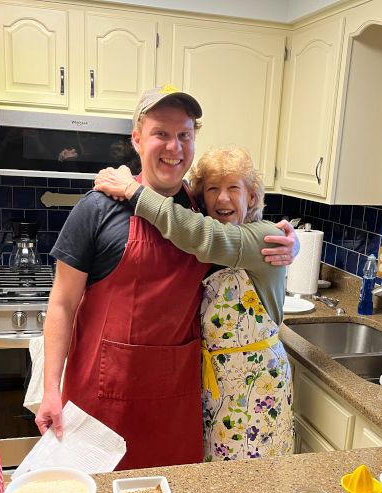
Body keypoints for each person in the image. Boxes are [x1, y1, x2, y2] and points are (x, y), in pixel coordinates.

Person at [35, 85, 298, 470]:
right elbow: (61, 303)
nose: (174, 147)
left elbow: (231, 238)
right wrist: (50, 390)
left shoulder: (203, 215)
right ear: (138, 139)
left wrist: (293, 246)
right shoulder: (96, 208)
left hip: (176, 403)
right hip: (103, 396)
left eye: (184, 135)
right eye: (161, 134)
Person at [94, 147, 293, 461]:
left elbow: (205, 236)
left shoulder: (264, 237)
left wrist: (134, 190)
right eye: (213, 188)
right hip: (212, 385)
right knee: (214, 472)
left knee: (255, 478)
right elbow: (193, 231)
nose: (223, 199)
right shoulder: (205, 248)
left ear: (251, 198)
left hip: (257, 386)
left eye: (233, 188)